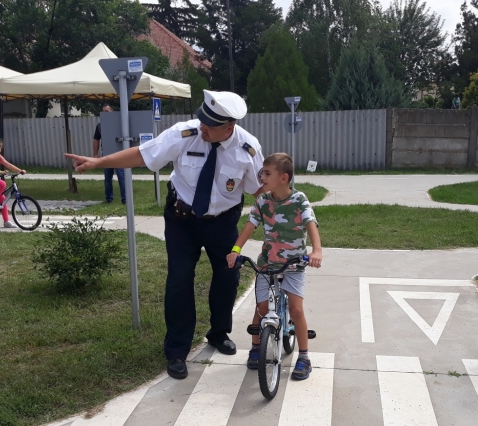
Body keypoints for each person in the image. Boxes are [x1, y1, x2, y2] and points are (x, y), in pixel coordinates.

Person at [66, 90, 265, 380]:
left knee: (228, 276)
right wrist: (99, 162)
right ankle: (177, 350)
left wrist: (282, 215)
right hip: (182, 220)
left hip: (222, 222)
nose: (203, 127)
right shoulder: (185, 133)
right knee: (179, 280)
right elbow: (142, 154)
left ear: (229, 127)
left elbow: (260, 189)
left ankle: (219, 333)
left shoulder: (248, 148)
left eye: (210, 125)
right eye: (202, 120)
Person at [226, 153, 322, 379]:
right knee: (261, 308)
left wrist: (316, 250)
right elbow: (250, 226)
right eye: (262, 172)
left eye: (267, 173)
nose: (262, 177)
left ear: (283, 178)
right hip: (267, 264)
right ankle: (255, 349)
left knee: (296, 310)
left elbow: (310, 223)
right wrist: (236, 249)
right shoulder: (262, 201)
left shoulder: (299, 199)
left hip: (294, 264)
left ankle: (304, 358)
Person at [93, 104, 126, 204]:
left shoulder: (119, 123)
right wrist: (95, 154)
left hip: (119, 155)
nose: (105, 113)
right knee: (108, 178)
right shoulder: (100, 126)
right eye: (103, 111)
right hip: (107, 155)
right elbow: (96, 139)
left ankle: (125, 199)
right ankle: (109, 198)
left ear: (112, 111)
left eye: (107, 111)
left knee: (122, 177)